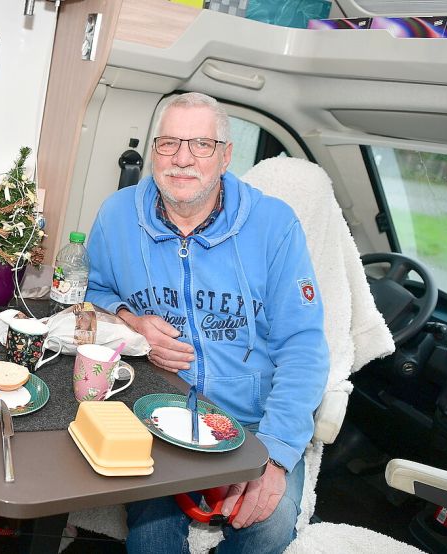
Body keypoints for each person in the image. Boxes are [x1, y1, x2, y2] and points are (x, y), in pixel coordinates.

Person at [85, 92, 330, 553]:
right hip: (155, 411)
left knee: (270, 523)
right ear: (154, 151)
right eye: (169, 143)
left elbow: (304, 346)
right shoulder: (116, 215)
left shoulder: (275, 226)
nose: (182, 159)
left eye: (200, 144)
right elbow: (92, 293)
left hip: (251, 421)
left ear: (225, 156)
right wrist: (130, 322)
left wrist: (275, 456)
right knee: (150, 533)